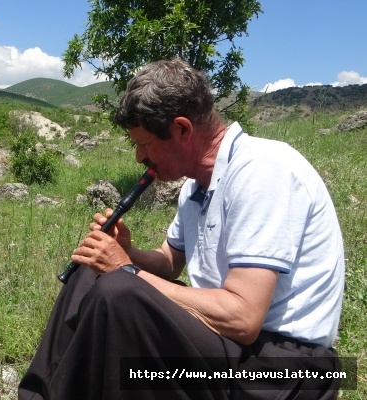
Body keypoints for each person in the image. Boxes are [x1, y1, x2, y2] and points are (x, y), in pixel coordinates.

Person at [18, 58, 345, 400]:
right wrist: (127, 254)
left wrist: (125, 270)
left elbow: (244, 319)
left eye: (143, 143)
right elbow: (168, 261)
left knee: (118, 292)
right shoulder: (195, 186)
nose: (138, 158)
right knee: (91, 274)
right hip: (230, 349)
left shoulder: (262, 171)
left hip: (287, 368)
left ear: (182, 130)